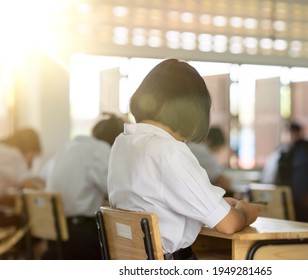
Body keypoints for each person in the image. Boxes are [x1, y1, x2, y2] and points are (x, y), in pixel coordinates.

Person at [108, 58, 266, 260]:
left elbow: (154, 204)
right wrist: (245, 212)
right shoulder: (169, 151)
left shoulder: (123, 144)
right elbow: (228, 225)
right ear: (192, 110)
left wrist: (211, 205)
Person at [44, 113, 125, 260]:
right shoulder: (100, 149)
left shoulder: (70, 145)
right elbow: (113, 189)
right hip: (79, 236)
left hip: (55, 231)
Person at [187, 126, 233, 195]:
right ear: (211, 141)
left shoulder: (193, 146)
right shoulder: (201, 150)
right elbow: (224, 182)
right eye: (217, 149)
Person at [0, 128, 44, 197]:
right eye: (33, 155)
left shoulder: (3, 149)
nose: (32, 160)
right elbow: (29, 184)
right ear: (30, 149)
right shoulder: (12, 154)